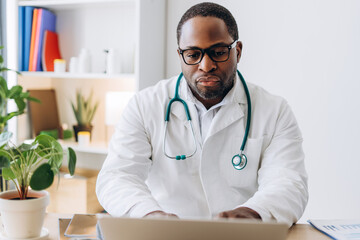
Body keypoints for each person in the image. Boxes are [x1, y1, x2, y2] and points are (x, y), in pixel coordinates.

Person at [96, 2, 308, 227]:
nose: (206, 65)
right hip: (167, 234)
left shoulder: (274, 111)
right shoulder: (145, 105)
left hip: (240, 234)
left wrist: (253, 213)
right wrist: (149, 215)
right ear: (180, 55)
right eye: (193, 54)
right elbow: (116, 177)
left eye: (218, 52)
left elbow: (289, 182)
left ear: (237, 51)